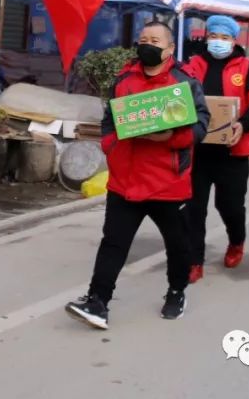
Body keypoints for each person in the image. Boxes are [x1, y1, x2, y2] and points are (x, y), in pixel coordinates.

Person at [65, 21, 210, 329]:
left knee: (178, 245)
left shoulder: (184, 82)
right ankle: (98, 301)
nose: (147, 44)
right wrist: (110, 145)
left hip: (168, 183)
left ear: (170, 48)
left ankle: (176, 291)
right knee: (113, 243)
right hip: (126, 181)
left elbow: (201, 124)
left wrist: (170, 139)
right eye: (143, 39)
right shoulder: (124, 79)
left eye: (155, 40)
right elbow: (109, 121)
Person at [182, 15, 249, 279]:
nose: (218, 42)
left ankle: (236, 240)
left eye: (225, 37)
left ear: (234, 40)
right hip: (198, 151)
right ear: (206, 37)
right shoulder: (192, 66)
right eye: (214, 36)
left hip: (232, 151)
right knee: (194, 208)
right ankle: (194, 260)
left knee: (229, 205)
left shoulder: (247, 68)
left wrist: (243, 124)